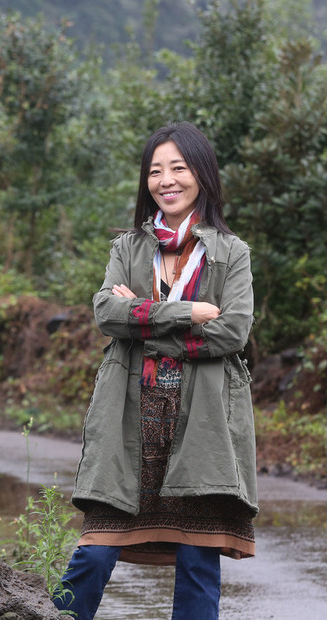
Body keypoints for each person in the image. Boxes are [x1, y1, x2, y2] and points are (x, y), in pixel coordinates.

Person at [54, 122, 257, 620]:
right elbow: (106, 313)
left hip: (199, 425)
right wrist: (189, 313)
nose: (166, 180)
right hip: (130, 420)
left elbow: (232, 333)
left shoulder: (231, 253)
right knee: (94, 552)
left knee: (197, 560)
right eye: (155, 171)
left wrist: (141, 317)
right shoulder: (128, 248)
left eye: (178, 168)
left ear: (201, 175)